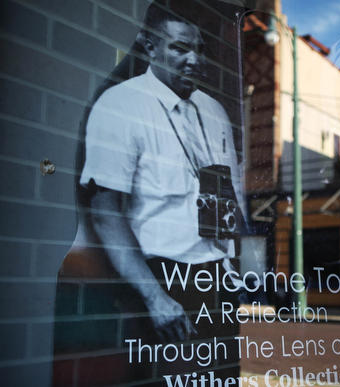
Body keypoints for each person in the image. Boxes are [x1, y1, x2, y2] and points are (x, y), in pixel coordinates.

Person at [52, 2, 243, 386]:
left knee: (222, 381)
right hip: (164, 284)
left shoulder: (215, 111)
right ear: (149, 47)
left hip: (220, 282)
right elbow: (106, 214)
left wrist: (249, 277)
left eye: (200, 49)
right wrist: (156, 298)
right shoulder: (122, 105)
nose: (194, 59)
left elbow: (233, 203)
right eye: (179, 48)